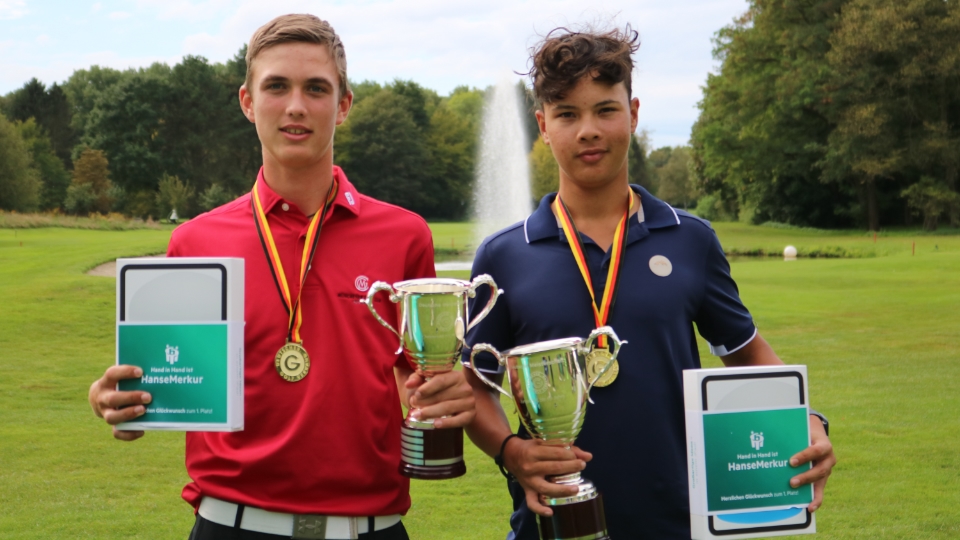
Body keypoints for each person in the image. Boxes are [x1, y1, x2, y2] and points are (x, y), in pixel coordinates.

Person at [87, 14, 475, 540]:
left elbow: (412, 376)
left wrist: (438, 393)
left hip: (370, 526)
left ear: (343, 105)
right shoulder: (195, 242)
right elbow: (170, 382)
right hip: (231, 523)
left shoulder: (404, 235)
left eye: (316, 88)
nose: (296, 105)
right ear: (248, 102)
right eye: (277, 86)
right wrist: (125, 404)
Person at [463, 26, 836, 539]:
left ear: (633, 114)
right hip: (549, 524)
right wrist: (511, 451)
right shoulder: (503, 255)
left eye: (605, 109)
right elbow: (474, 387)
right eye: (567, 114)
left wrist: (808, 419)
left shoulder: (690, 240)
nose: (588, 130)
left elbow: (746, 354)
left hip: (676, 523)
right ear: (543, 125)